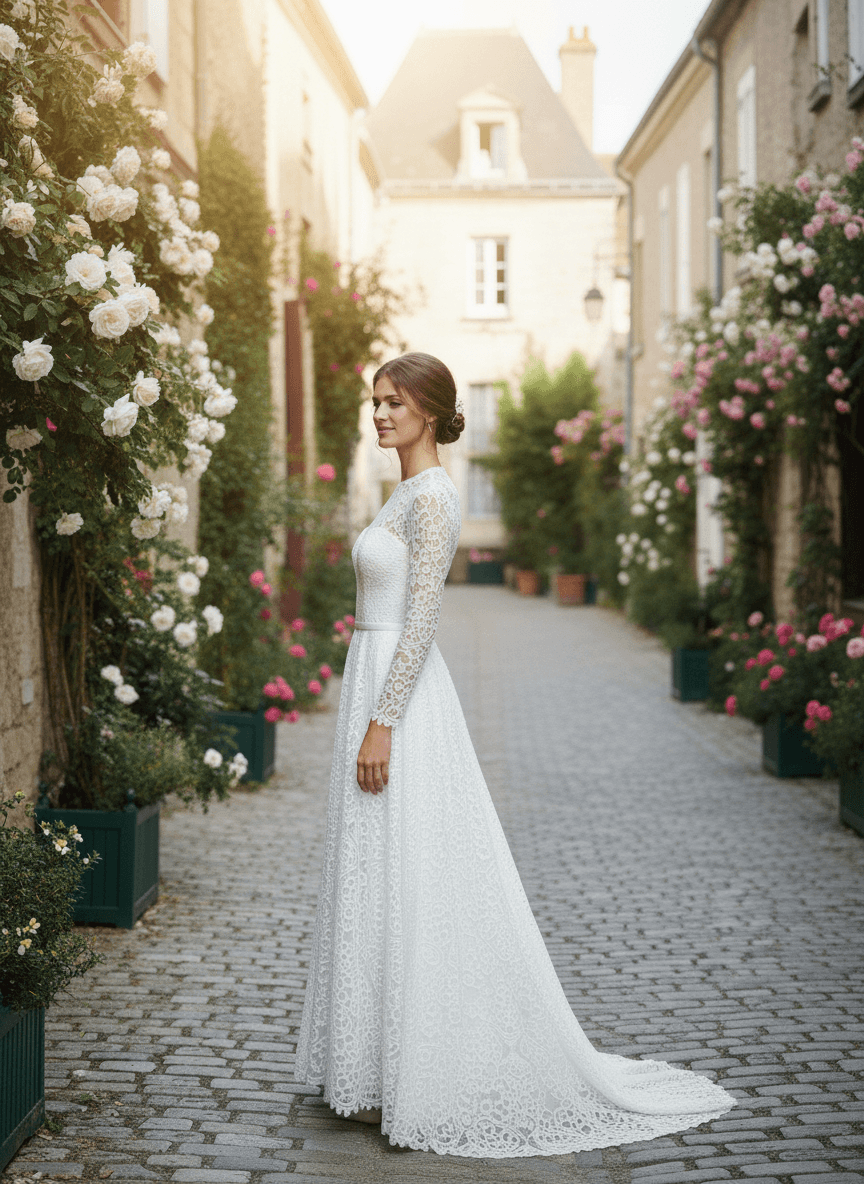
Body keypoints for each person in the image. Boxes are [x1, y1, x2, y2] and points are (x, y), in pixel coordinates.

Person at [295, 352, 736, 1157]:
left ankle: (414, 1069)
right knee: (372, 868)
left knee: (408, 867)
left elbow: (423, 618)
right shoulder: (402, 491)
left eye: (393, 403)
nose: (380, 414)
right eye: (375, 402)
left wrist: (383, 722)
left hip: (399, 697)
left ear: (430, 410)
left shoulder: (434, 497)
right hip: (371, 675)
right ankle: (370, 1062)